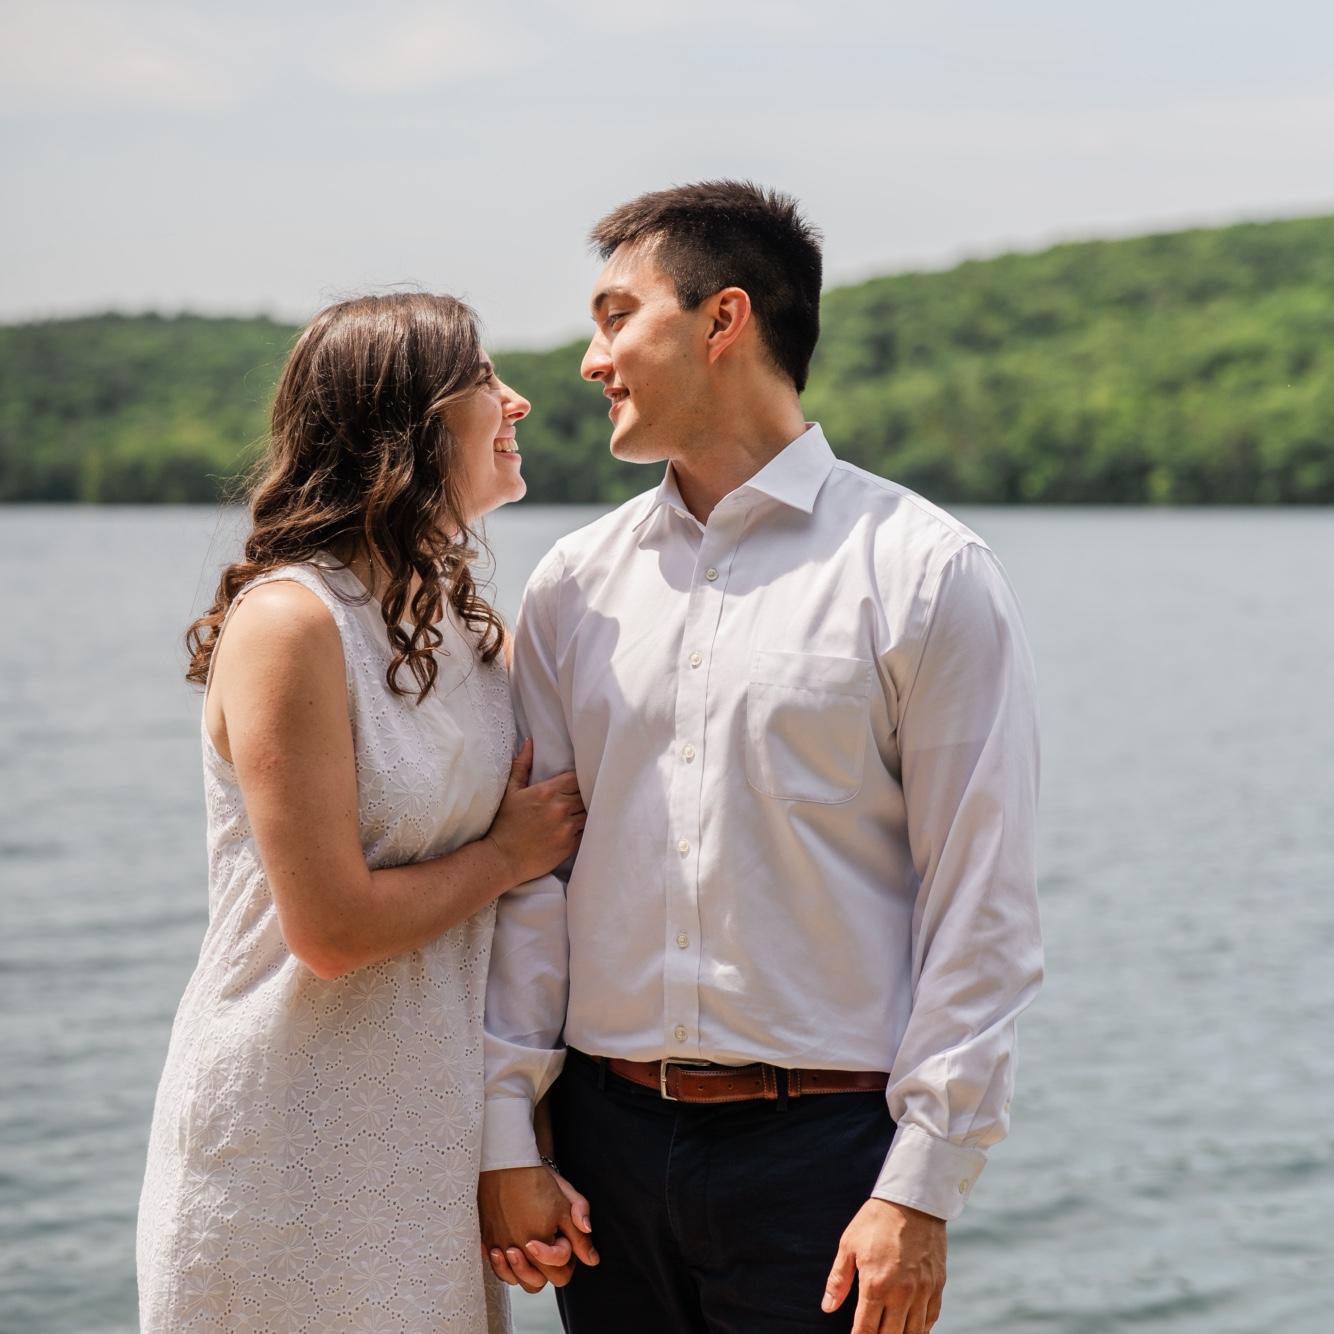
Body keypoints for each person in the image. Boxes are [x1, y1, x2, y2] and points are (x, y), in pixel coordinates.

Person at [478, 182, 1043, 1334]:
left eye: (616, 316)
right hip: (600, 1155)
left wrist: (918, 1188)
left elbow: (978, 902)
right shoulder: (572, 585)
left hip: (825, 1167)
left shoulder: (925, 573)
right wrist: (505, 1133)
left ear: (721, 319)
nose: (590, 360)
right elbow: (534, 883)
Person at [136, 293, 589, 1333]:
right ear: (409, 422)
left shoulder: (468, 630)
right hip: (286, 1142)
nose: (517, 400)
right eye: (485, 378)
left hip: (421, 1144)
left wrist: (520, 1138)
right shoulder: (291, 623)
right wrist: (506, 854)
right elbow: (330, 928)